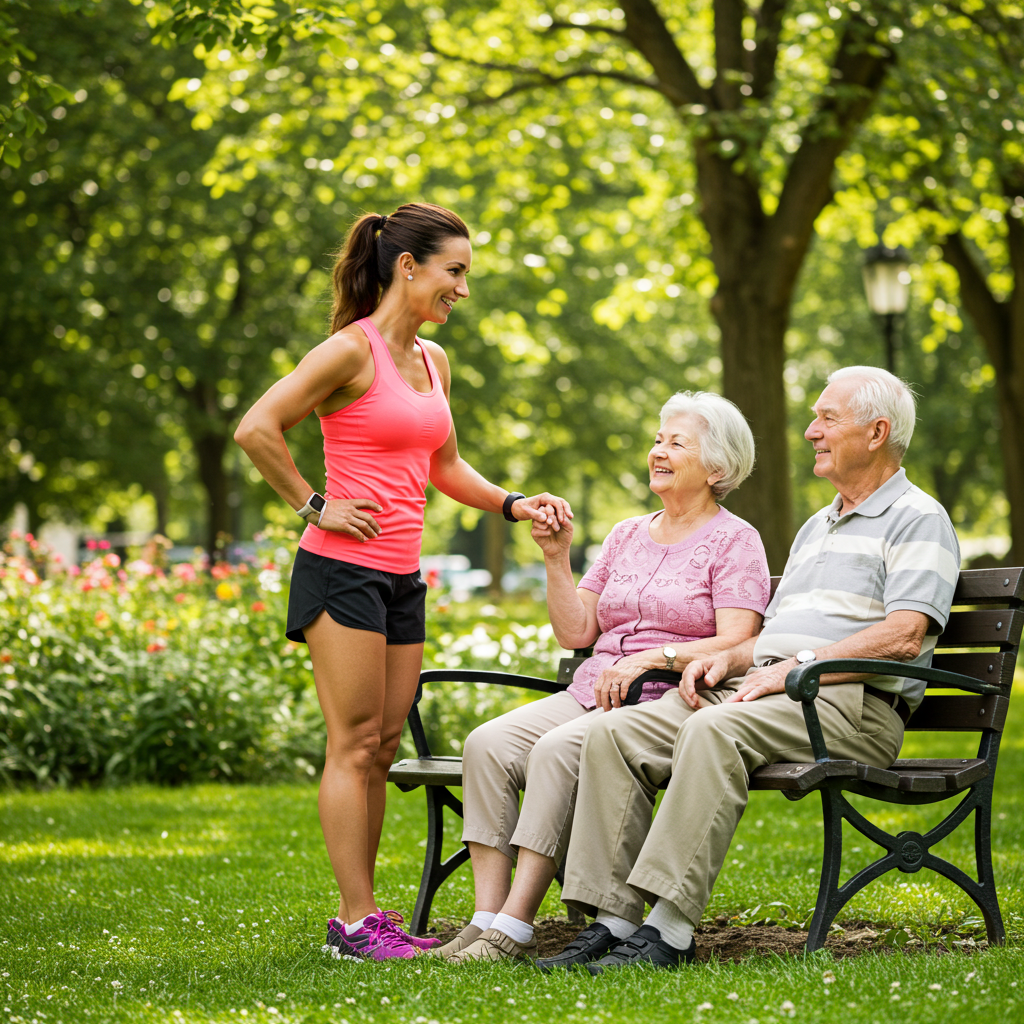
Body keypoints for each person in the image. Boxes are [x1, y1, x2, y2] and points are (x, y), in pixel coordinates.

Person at [233, 203, 572, 961]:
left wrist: (514, 503)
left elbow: (445, 468)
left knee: (383, 745)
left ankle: (372, 921)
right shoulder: (349, 353)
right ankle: (355, 924)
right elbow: (257, 426)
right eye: (456, 272)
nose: (463, 289)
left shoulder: (433, 363)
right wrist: (314, 505)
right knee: (352, 744)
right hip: (340, 573)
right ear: (408, 267)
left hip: (400, 578)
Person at [538, 365, 961, 972]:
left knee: (712, 732)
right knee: (613, 732)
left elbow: (905, 634)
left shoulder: (919, 519)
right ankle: (614, 921)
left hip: (849, 705)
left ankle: (670, 930)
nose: (811, 430)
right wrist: (721, 660)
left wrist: (796, 667)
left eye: (827, 418)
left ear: (876, 432)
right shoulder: (819, 525)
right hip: (767, 689)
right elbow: (764, 636)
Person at [433, 391, 771, 963]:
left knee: (557, 750)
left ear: (718, 468)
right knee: (486, 744)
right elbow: (576, 631)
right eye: (658, 439)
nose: (658, 451)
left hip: (668, 700)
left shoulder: (736, 541)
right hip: (593, 689)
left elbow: (738, 639)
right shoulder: (626, 534)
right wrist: (555, 557)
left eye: (676, 443)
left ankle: (513, 929)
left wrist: (656, 656)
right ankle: (483, 919)